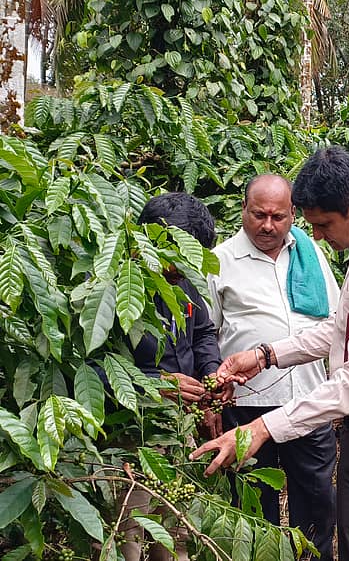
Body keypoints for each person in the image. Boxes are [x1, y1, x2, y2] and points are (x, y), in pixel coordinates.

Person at [191, 147, 349, 561]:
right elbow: (341, 327)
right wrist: (265, 355)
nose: (320, 237)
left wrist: (260, 429)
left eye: (325, 225)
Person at [207, 174, 340, 560]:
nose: (268, 225)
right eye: (259, 215)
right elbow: (207, 334)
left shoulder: (311, 253)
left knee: (316, 500)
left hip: (309, 401)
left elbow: (336, 320)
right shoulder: (220, 261)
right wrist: (212, 402)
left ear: (293, 214)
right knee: (254, 506)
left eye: (278, 217)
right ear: (243, 209)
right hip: (247, 407)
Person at [125, 192, 223, 561]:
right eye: (176, 255)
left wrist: (211, 373)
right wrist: (158, 383)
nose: (181, 266)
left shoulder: (184, 284)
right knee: (130, 527)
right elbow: (88, 370)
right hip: (133, 431)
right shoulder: (117, 286)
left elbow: (203, 332)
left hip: (178, 429)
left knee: (175, 528)